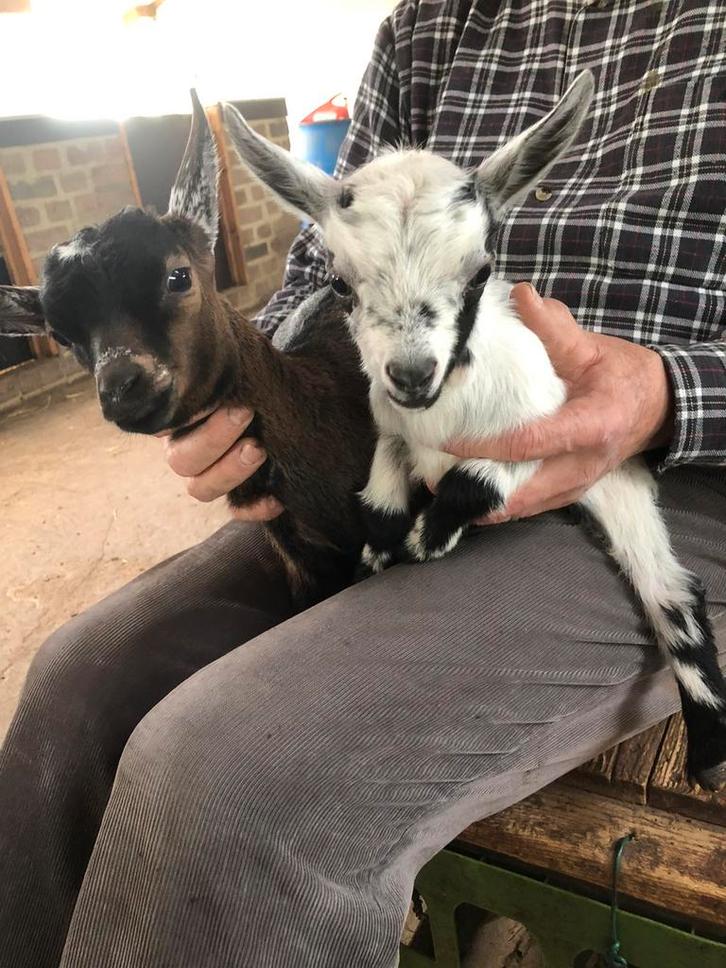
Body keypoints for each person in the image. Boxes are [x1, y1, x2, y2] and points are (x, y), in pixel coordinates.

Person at [1, 2, 724, 966]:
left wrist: (671, 392)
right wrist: (243, 385)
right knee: (73, 691)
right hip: (395, 423)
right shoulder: (438, 21)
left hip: (670, 464)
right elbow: (315, 259)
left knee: (221, 779)